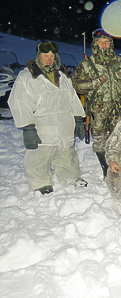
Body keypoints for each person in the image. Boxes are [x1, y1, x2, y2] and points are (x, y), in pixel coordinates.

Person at [8, 41, 86, 194]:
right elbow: (18, 102)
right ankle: (40, 183)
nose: (49, 59)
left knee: (66, 153)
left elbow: (73, 98)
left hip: (64, 124)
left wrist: (78, 119)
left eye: (52, 55)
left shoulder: (62, 75)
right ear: (38, 56)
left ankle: (70, 177)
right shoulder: (27, 76)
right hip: (42, 126)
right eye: (45, 55)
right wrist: (28, 127)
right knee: (39, 157)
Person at [72, 29, 121, 178]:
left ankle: (119, 169)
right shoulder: (87, 64)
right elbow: (76, 85)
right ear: (95, 44)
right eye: (101, 42)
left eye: (107, 42)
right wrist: (94, 83)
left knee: (120, 141)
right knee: (100, 143)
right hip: (98, 112)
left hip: (119, 112)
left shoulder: (120, 63)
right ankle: (106, 170)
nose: (104, 45)